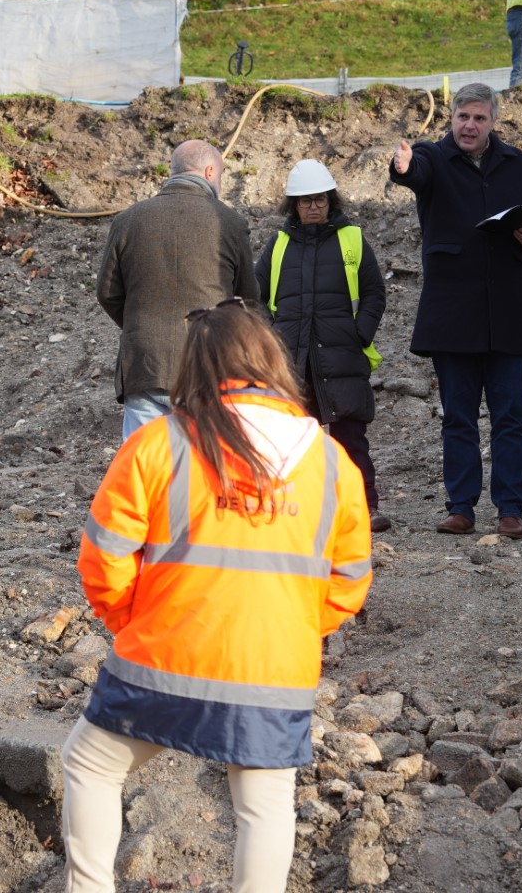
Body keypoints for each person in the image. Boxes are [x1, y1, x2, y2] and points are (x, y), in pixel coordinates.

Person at [62, 300, 372, 893]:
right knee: (264, 805)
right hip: (275, 669)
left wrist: (131, 619)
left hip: (165, 654)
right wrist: (295, 631)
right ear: (269, 361)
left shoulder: (160, 442)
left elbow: (104, 554)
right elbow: (350, 579)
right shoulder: (332, 462)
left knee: (92, 765)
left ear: (196, 367)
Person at [389, 83, 522, 539]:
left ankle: (511, 509)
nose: (469, 126)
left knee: (511, 416)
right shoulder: (433, 159)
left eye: (479, 118)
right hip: (453, 311)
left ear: (493, 121)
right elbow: (412, 172)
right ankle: (461, 507)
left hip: (508, 309)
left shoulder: (518, 164)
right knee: (458, 416)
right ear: (451, 119)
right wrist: (401, 167)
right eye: (462, 117)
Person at [255, 159, 390, 532]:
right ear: (293, 205)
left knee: (350, 440)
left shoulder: (353, 239)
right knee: (297, 445)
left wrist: (359, 333)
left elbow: (375, 293)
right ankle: (300, 514)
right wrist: (273, 345)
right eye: (305, 200)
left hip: (341, 358)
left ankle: (365, 508)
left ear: (331, 201)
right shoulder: (278, 245)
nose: (313, 206)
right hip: (292, 364)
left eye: (320, 199)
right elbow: (255, 297)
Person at [97, 139, 258, 439]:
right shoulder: (230, 223)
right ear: (210, 171)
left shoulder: (127, 220)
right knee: (203, 471)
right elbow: (247, 301)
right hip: (208, 366)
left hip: (145, 366)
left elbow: (107, 292)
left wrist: (140, 325)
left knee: (146, 473)